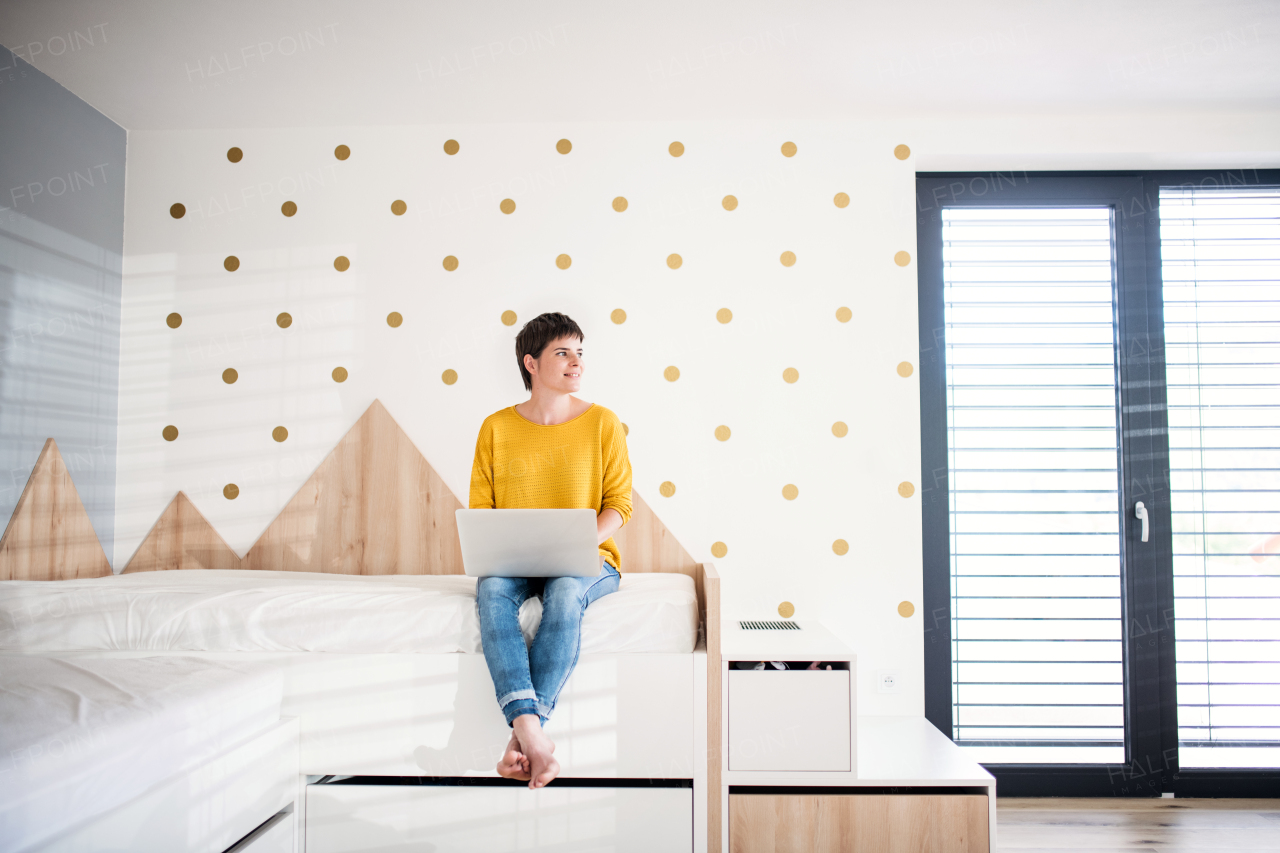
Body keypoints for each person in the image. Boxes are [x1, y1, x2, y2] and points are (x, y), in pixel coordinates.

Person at [468, 312, 632, 789]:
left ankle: (524, 736)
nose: (576, 362)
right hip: (514, 561)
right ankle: (536, 737)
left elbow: (619, 506)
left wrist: (575, 543)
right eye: (563, 352)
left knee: (563, 592)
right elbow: (483, 509)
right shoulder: (495, 428)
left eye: (580, 352)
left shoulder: (603, 423)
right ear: (531, 363)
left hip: (589, 558)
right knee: (492, 588)